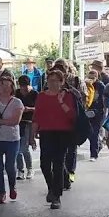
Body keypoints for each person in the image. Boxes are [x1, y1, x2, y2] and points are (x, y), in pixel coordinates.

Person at [30, 69, 75, 209]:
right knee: (44, 163)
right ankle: (51, 187)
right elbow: (37, 116)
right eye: (50, 81)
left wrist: (61, 102)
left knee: (58, 164)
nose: (52, 83)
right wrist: (32, 136)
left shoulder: (67, 95)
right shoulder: (41, 96)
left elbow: (72, 115)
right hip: (46, 132)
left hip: (62, 133)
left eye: (55, 80)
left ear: (62, 82)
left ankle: (57, 196)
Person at [0, 76, 24, 204]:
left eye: (8, 85)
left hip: (12, 139)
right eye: (2, 85)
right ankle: (1, 193)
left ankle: (12, 186)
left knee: (10, 165)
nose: (5, 88)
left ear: (12, 88)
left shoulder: (17, 102)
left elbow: (15, 121)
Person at [15, 75, 38, 180]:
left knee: (24, 147)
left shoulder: (34, 94)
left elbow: (39, 108)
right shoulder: (16, 93)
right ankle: (20, 169)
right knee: (17, 148)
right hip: (18, 122)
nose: (24, 88)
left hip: (29, 122)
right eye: (22, 86)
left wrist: (29, 109)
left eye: (26, 86)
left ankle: (29, 168)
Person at [84, 70, 106, 160]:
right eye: (90, 77)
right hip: (88, 111)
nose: (91, 79)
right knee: (89, 132)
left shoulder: (100, 86)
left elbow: (102, 99)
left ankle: (93, 154)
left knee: (95, 132)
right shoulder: (85, 85)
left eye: (93, 77)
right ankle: (99, 145)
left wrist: (102, 111)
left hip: (98, 112)